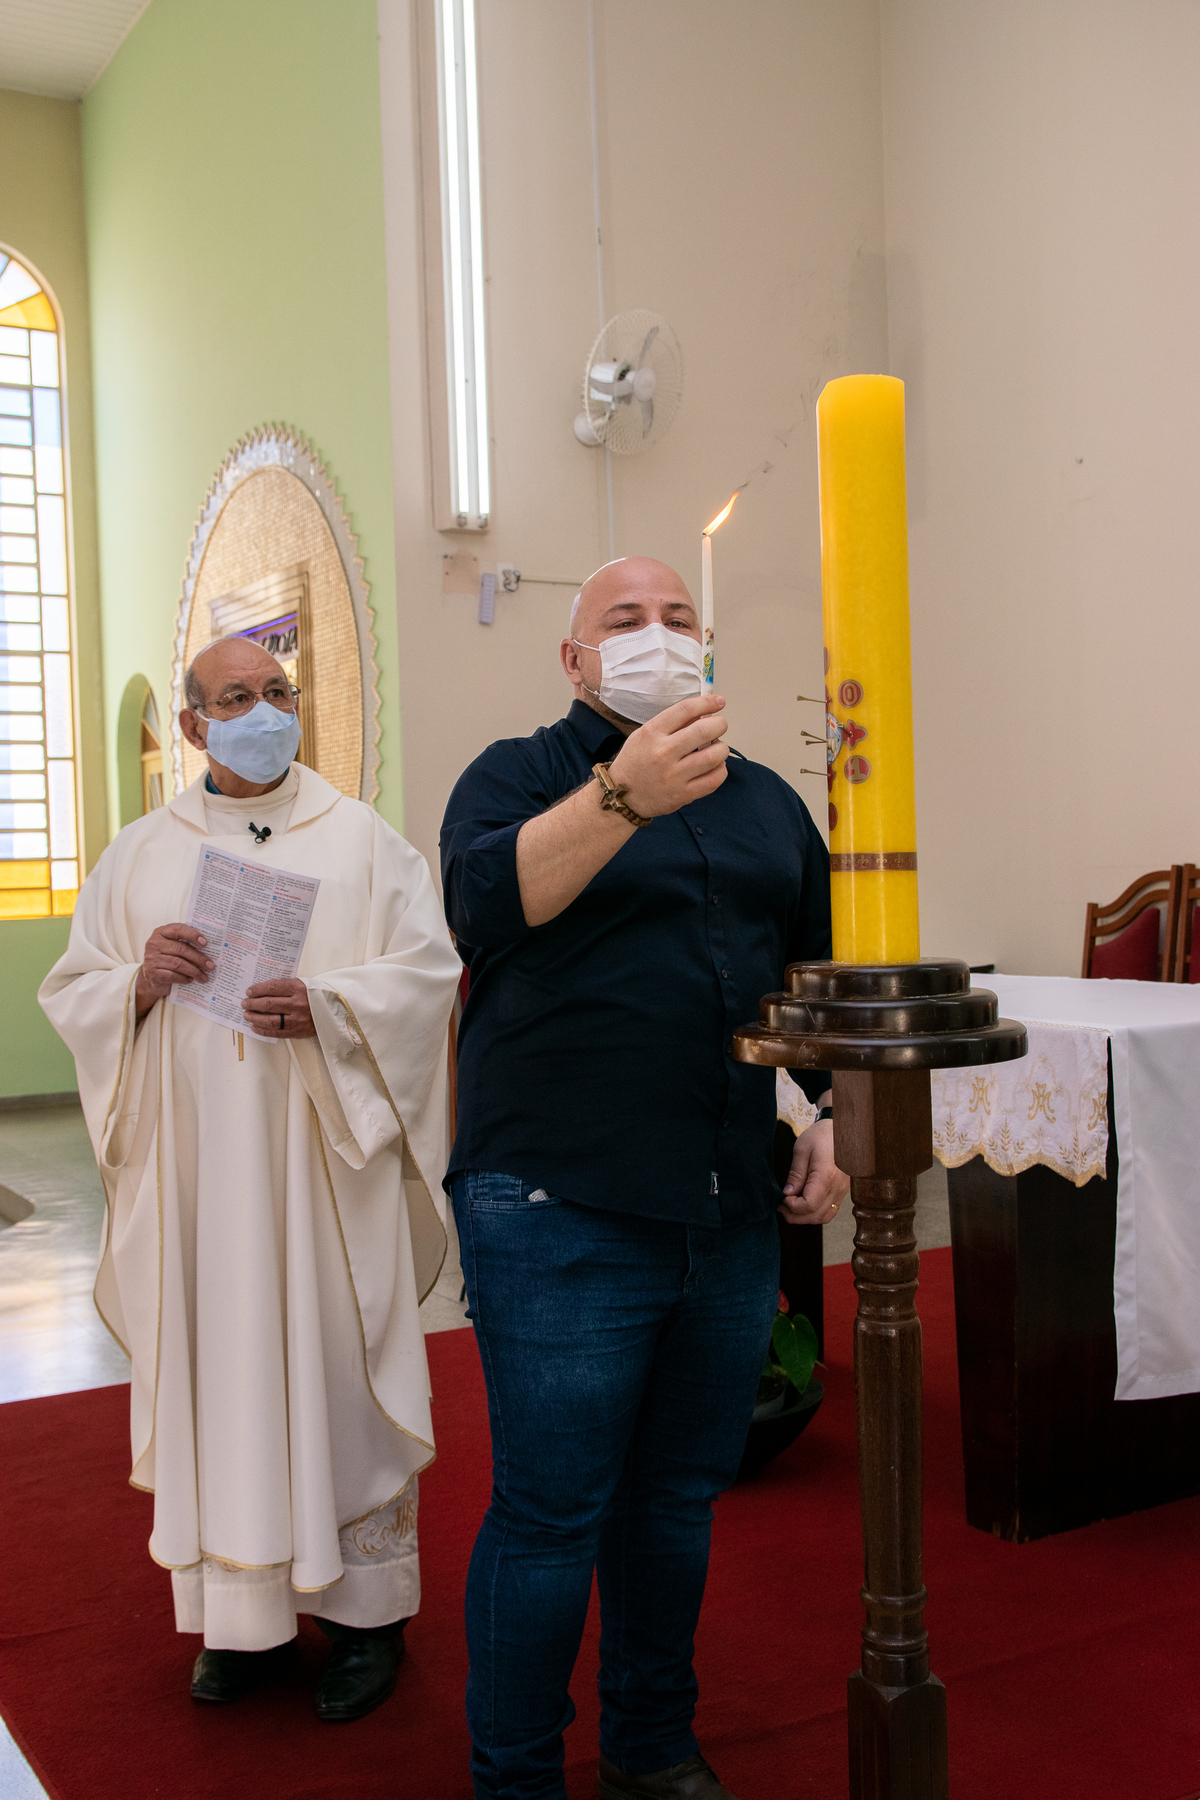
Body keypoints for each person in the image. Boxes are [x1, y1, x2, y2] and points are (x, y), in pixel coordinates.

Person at [440, 556, 848, 1800]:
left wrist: (827, 1108)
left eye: (678, 619)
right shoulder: (517, 775)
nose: (655, 636)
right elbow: (482, 907)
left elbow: (810, 977)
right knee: (553, 1512)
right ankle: (514, 1776)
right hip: (560, 1199)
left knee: (676, 1499)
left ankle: (652, 1743)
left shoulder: (771, 800)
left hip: (724, 1203)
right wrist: (622, 795)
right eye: (624, 621)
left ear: (709, 647)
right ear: (575, 660)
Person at [40, 636, 461, 1722]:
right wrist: (137, 982)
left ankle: (369, 1619)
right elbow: (75, 991)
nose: (265, 710)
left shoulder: (365, 843)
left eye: (279, 693)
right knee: (220, 1371)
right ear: (193, 727)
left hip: (326, 1171)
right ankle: (243, 1620)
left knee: (332, 1363)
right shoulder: (138, 855)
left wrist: (329, 1007)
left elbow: (427, 977)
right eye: (237, 697)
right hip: (197, 1185)